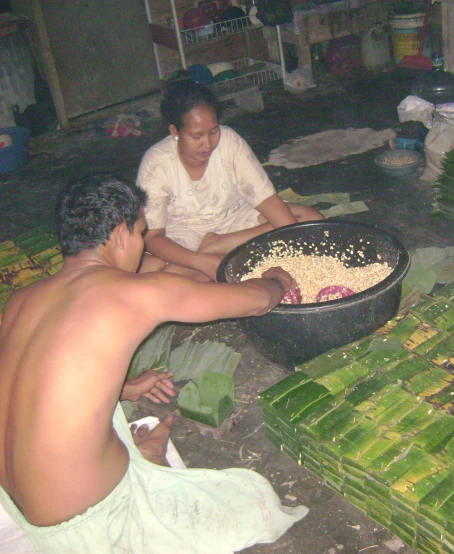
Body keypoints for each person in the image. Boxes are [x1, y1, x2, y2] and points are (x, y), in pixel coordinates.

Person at [0, 173, 307, 553]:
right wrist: (276, 280)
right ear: (120, 235)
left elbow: (46, 379)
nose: (143, 244)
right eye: (141, 233)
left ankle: (140, 457)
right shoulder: (133, 293)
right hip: (86, 526)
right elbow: (255, 301)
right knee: (246, 503)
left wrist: (125, 389)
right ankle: (149, 459)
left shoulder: (21, 301)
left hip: (17, 500)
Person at [137, 81, 323, 282]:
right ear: (175, 131)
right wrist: (201, 262)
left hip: (235, 219)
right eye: (197, 136)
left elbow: (266, 200)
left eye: (214, 131)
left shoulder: (229, 142)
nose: (207, 143)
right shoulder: (156, 163)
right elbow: (153, 237)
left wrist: (303, 249)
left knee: (310, 219)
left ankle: (220, 247)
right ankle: (222, 256)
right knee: (157, 272)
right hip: (185, 236)